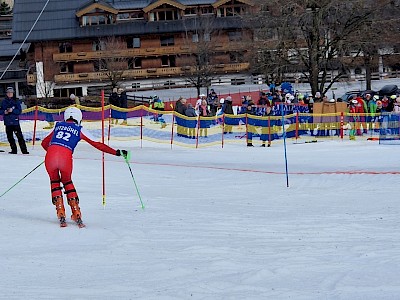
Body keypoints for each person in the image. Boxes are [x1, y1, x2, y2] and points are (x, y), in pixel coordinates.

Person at [41, 107, 128, 227]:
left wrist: (52, 152)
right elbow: (97, 144)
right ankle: (76, 212)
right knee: (67, 181)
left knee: (54, 181)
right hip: (65, 158)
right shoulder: (79, 129)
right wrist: (116, 152)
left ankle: (60, 211)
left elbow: (44, 143)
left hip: (50, 156)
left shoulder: (58, 125)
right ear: (79, 118)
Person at [0, 87, 29, 154]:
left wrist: (12, 110)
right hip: (7, 122)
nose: (10, 94)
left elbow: (19, 111)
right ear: (6, 94)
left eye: (11, 92)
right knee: (10, 137)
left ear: (13, 93)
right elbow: (0, 110)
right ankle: (14, 150)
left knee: (19, 137)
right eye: (8, 92)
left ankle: (24, 150)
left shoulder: (16, 101)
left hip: (15, 122)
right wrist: (4, 112)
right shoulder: (3, 102)